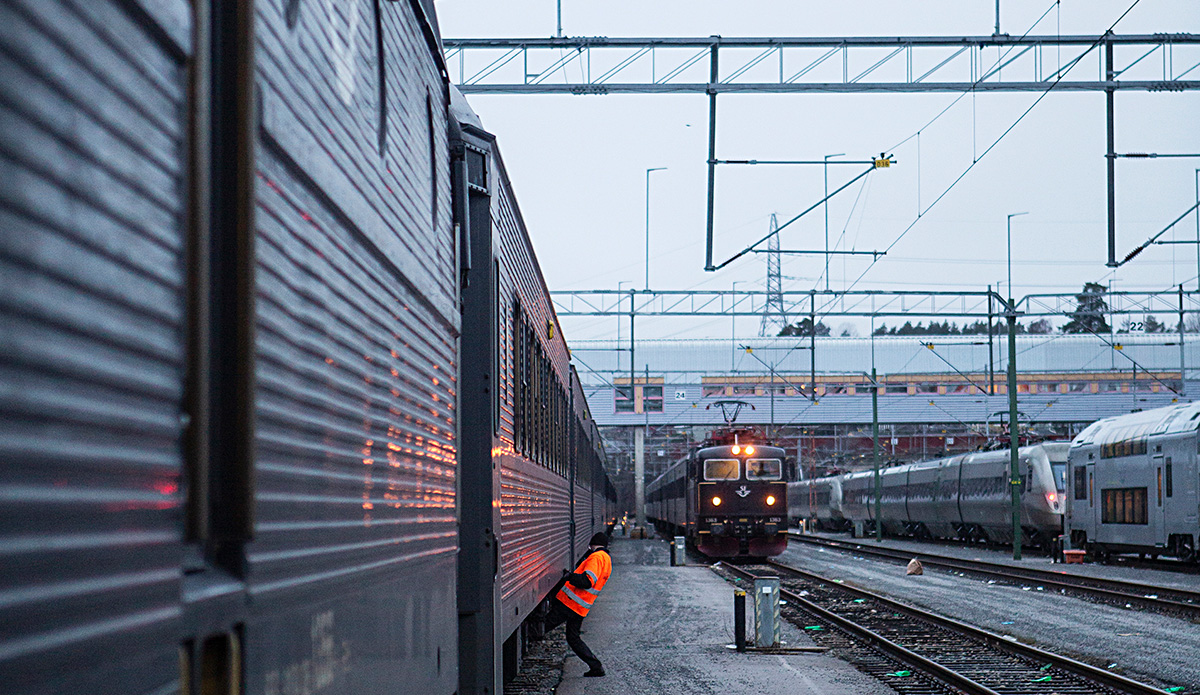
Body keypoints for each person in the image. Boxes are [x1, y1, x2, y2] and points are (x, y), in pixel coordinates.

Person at [544, 532, 612, 677]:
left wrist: (569, 577)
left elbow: (587, 581)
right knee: (573, 637)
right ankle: (596, 667)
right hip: (581, 606)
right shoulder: (606, 560)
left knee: (544, 626)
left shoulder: (596, 557)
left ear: (594, 544)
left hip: (570, 603)